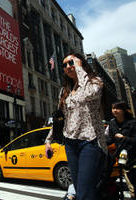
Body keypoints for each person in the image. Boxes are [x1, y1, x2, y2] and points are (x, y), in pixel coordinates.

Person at [45, 52, 107, 200]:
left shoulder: (94, 81)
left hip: (90, 141)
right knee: (80, 190)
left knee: (85, 191)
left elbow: (90, 94)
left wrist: (79, 69)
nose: (67, 66)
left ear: (80, 63)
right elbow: (61, 119)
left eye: (71, 62)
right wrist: (48, 140)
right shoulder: (64, 91)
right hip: (70, 143)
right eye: (65, 65)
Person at [105, 101, 136, 199]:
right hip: (121, 158)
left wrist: (124, 138)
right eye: (113, 108)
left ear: (123, 110)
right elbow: (110, 139)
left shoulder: (133, 123)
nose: (114, 110)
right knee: (131, 187)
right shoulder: (112, 123)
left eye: (117, 108)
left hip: (133, 158)